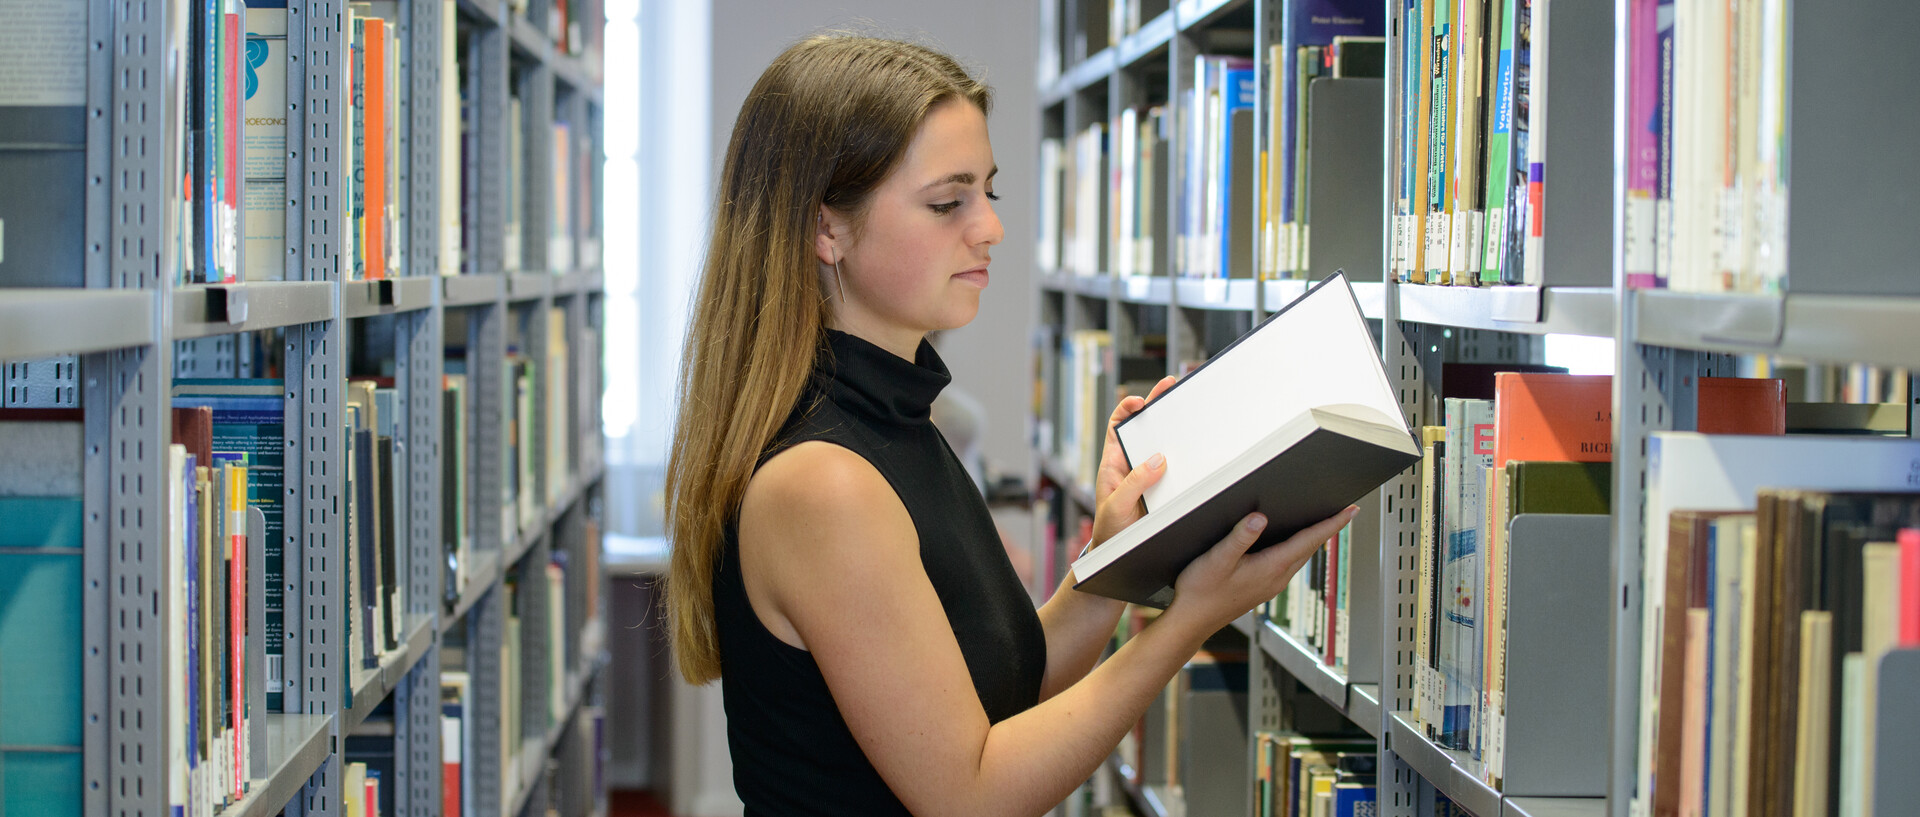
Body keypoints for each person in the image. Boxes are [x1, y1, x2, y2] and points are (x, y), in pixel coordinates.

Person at [663, 34, 1356, 816]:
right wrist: (1190, 617)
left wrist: (1114, 553)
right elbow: (972, 793)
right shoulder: (825, 481)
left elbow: (1003, 687)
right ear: (828, 230)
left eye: (990, 192)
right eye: (947, 201)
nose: (990, 227)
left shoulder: (897, 423)